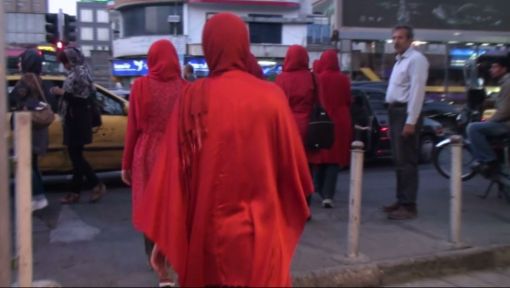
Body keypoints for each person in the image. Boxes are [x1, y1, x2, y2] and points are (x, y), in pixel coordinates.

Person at [139, 13, 313, 287]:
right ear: (244, 45)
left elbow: (176, 176)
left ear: (209, 47)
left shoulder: (193, 97)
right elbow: (293, 174)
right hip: (262, 233)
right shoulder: (272, 97)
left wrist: (165, 239)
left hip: (210, 234)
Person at [121, 39, 185, 287]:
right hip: (176, 154)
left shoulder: (140, 86)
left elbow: (133, 129)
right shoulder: (185, 88)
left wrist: (126, 163)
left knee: (150, 207)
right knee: (172, 205)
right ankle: (169, 256)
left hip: (146, 153)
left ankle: (154, 260)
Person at [383, 25, 429, 220]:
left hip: (405, 113)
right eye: (394, 37)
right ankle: (401, 200)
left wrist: (411, 121)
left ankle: (409, 205)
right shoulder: (399, 60)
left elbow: (417, 92)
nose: (396, 41)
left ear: (410, 40)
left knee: (407, 161)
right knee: (399, 161)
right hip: (395, 112)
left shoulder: (416, 60)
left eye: (400, 37)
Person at [50, 47, 106, 204]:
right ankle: (76, 191)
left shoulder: (80, 72)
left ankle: (95, 184)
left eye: (66, 62)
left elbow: (83, 99)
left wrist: (62, 93)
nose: (65, 65)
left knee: (76, 156)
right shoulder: (76, 72)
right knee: (76, 157)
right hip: (73, 119)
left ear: (72, 59)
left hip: (78, 120)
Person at [9, 49, 53, 211]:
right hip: (38, 127)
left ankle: (38, 197)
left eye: (22, 61)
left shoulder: (26, 80)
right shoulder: (39, 79)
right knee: (32, 164)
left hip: (28, 127)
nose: (19, 64)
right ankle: (37, 196)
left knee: (27, 163)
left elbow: (14, 98)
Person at [308, 49, 352, 208]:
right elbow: (348, 100)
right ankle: (328, 195)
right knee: (334, 160)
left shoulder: (318, 78)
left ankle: (318, 188)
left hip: (322, 120)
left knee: (321, 156)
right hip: (341, 121)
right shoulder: (343, 79)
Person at [275, 45, 315, 208]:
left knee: (287, 166)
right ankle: (306, 204)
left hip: (287, 126)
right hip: (308, 127)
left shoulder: (281, 79)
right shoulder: (312, 77)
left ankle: (289, 205)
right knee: (306, 167)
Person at [468, 57, 510, 176]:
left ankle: (489, 160)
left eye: (495, 67)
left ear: (504, 69)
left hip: (507, 125)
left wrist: (490, 121)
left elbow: (505, 111)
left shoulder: (508, 84)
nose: (491, 69)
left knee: (473, 128)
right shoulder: (504, 83)